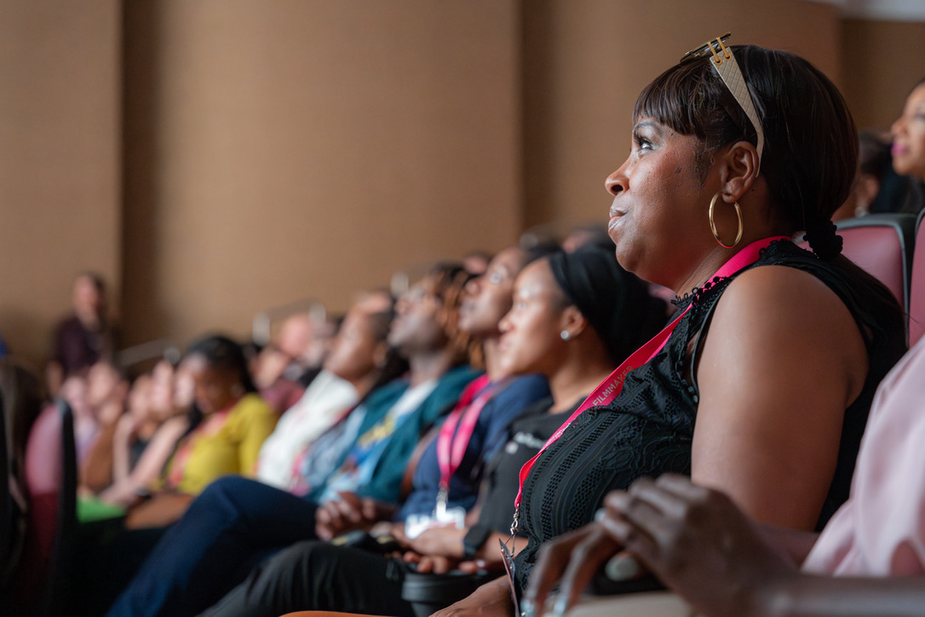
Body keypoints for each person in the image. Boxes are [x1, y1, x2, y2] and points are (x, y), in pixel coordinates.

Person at [436, 39, 907, 617]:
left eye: (644, 144)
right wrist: (507, 593)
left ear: (734, 171)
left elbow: (722, 580)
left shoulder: (772, 300)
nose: (615, 177)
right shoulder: (715, 307)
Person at [196, 245, 667, 617]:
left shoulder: (612, 429)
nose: (507, 321)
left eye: (521, 304)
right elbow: (488, 520)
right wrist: (446, 547)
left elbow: (565, 546)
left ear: (571, 320)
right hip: (461, 570)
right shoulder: (532, 415)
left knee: (298, 560)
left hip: (504, 588)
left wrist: (465, 547)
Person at [104, 265, 481, 617]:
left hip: (363, 513)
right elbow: (342, 464)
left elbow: (419, 479)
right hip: (324, 503)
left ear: (452, 317)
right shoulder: (389, 396)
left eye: (422, 298)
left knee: (229, 495)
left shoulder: (456, 390)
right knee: (129, 548)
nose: (404, 304)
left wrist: (364, 511)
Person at [123, 335, 277, 529]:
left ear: (234, 375)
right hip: (172, 510)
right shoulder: (207, 420)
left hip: (208, 521)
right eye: (195, 386)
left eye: (209, 385)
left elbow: (253, 486)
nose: (200, 395)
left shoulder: (254, 412)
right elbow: (172, 479)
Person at [253, 295, 388, 489]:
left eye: (347, 336)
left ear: (380, 351)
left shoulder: (366, 405)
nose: (332, 345)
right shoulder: (326, 382)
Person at [47, 272, 117, 397]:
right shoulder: (65, 328)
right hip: (74, 383)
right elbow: (55, 365)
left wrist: (94, 325)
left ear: (100, 297)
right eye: (82, 294)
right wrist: (55, 396)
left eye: (91, 294)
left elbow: (110, 359)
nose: (86, 299)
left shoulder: (109, 329)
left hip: (101, 383)